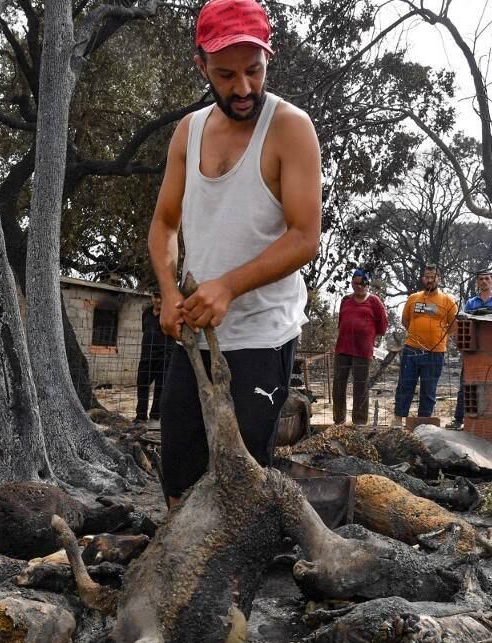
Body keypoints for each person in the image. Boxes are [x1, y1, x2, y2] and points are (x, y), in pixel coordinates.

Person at [147, 0, 322, 509]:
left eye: (254, 70)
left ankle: (241, 582)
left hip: (262, 334)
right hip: (194, 335)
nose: (243, 88)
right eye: (226, 74)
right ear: (201, 66)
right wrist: (165, 290)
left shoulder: (291, 128)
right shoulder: (189, 132)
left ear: (269, 58)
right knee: (179, 482)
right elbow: (163, 224)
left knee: (241, 489)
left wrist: (227, 286)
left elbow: (304, 236)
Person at [393, 264, 458, 427]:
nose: (429, 280)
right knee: (405, 385)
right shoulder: (413, 298)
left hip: (435, 352)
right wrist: (418, 336)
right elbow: (405, 320)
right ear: (423, 279)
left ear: (439, 279)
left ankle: (423, 425)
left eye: (433, 277)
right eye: (426, 277)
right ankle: (398, 420)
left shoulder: (448, 301)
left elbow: (454, 326)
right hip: (411, 349)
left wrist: (437, 337)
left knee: (428, 390)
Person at [446, 270, 492, 430]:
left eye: (487, 278)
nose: (484, 281)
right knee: (466, 384)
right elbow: (464, 323)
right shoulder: (471, 303)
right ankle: (459, 419)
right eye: (481, 279)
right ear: (477, 282)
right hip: (473, 351)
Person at [332, 268, 388, 425]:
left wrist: (368, 337)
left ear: (367, 284)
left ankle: (360, 422)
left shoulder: (374, 301)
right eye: (355, 283)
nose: (358, 286)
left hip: (362, 351)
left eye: (362, 283)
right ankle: (338, 420)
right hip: (342, 348)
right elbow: (341, 322)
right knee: (338, 385)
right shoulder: (345, 300)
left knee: (360, 387)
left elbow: (382, 326)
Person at [135, 290, 171, 426]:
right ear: (152, 297)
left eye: (161, 297)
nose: (158, 300)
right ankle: (140, 417)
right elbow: (145, 331)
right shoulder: (146, 313)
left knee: (160, 387)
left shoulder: (169, 313)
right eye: (156, 297)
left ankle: (155, 417)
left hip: (164, 357)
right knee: (142, 384)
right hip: (146, 356)